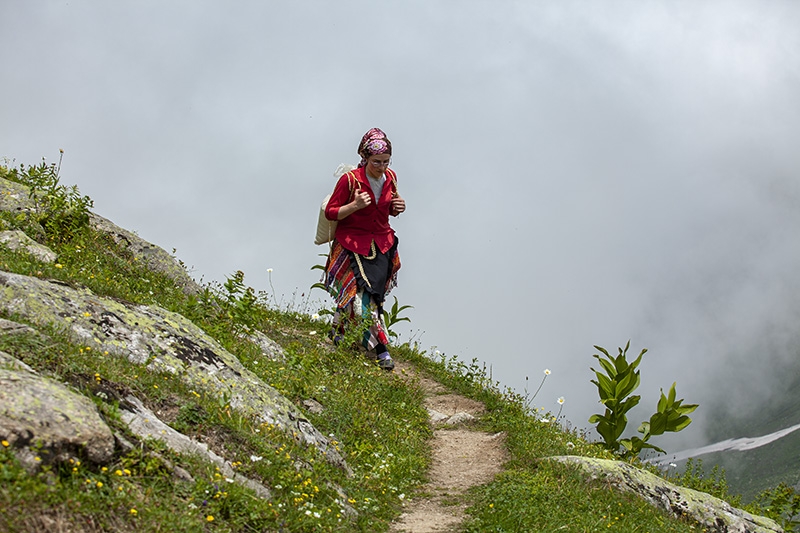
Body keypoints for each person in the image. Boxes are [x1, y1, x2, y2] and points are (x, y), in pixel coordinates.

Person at [322, 127, 406, 371]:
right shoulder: (350, 180)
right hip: (352, 243)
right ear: (365, 158)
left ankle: (337, 332)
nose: (381, 167)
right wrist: (355, 205)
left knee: (366, 294)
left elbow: (387, 209)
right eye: (376, 162)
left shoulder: (391, 177)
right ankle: (381, 349)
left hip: (382, 243)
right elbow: (331, 212)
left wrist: (397, 207)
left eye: (385, 161)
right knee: (364, 295)